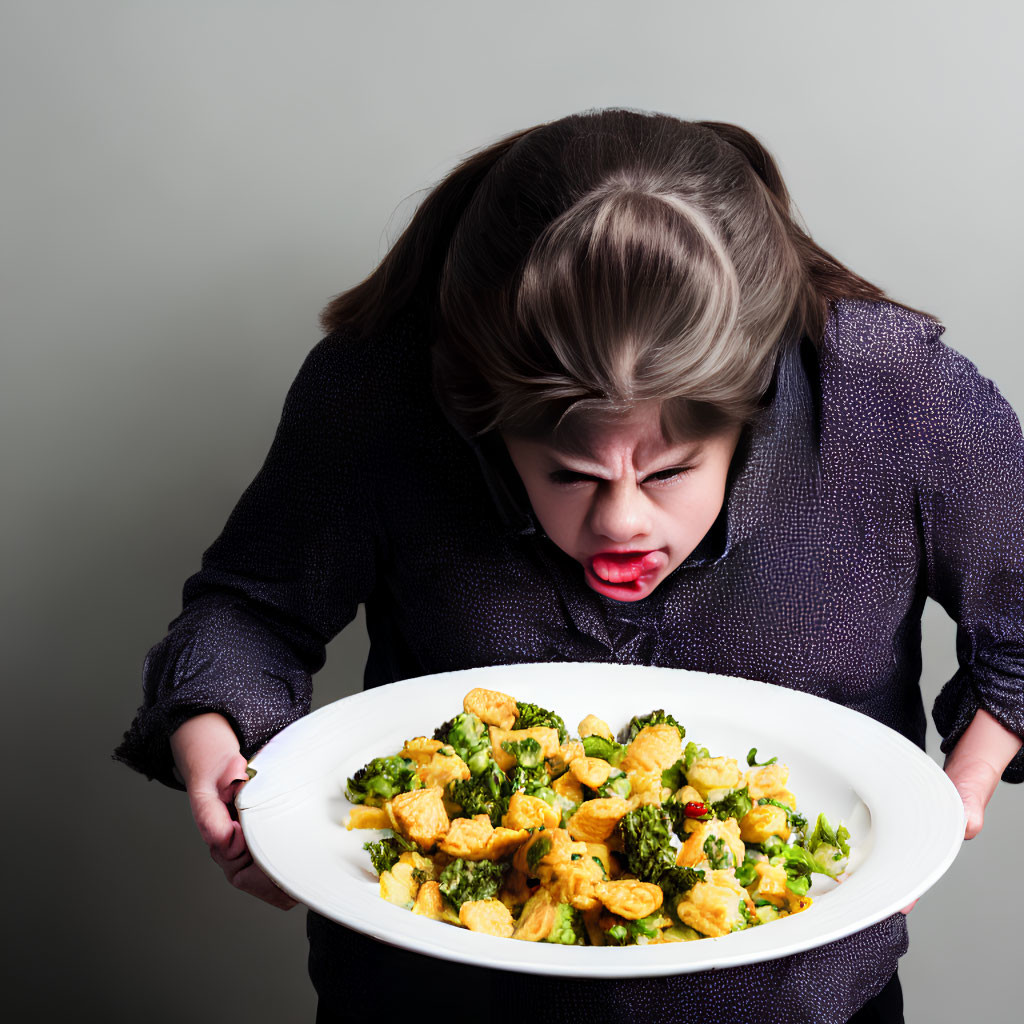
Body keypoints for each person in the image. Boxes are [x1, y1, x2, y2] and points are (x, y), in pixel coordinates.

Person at [113, 108, 1024, 1024]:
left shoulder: (889, 393)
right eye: (569, 474)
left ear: (749, 406)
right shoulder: (386, 386)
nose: (621, 519)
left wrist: (959, 796)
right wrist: (219, 751)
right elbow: (252, 610)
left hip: (800, 1006)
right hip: (435, 1002)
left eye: (668, 472)